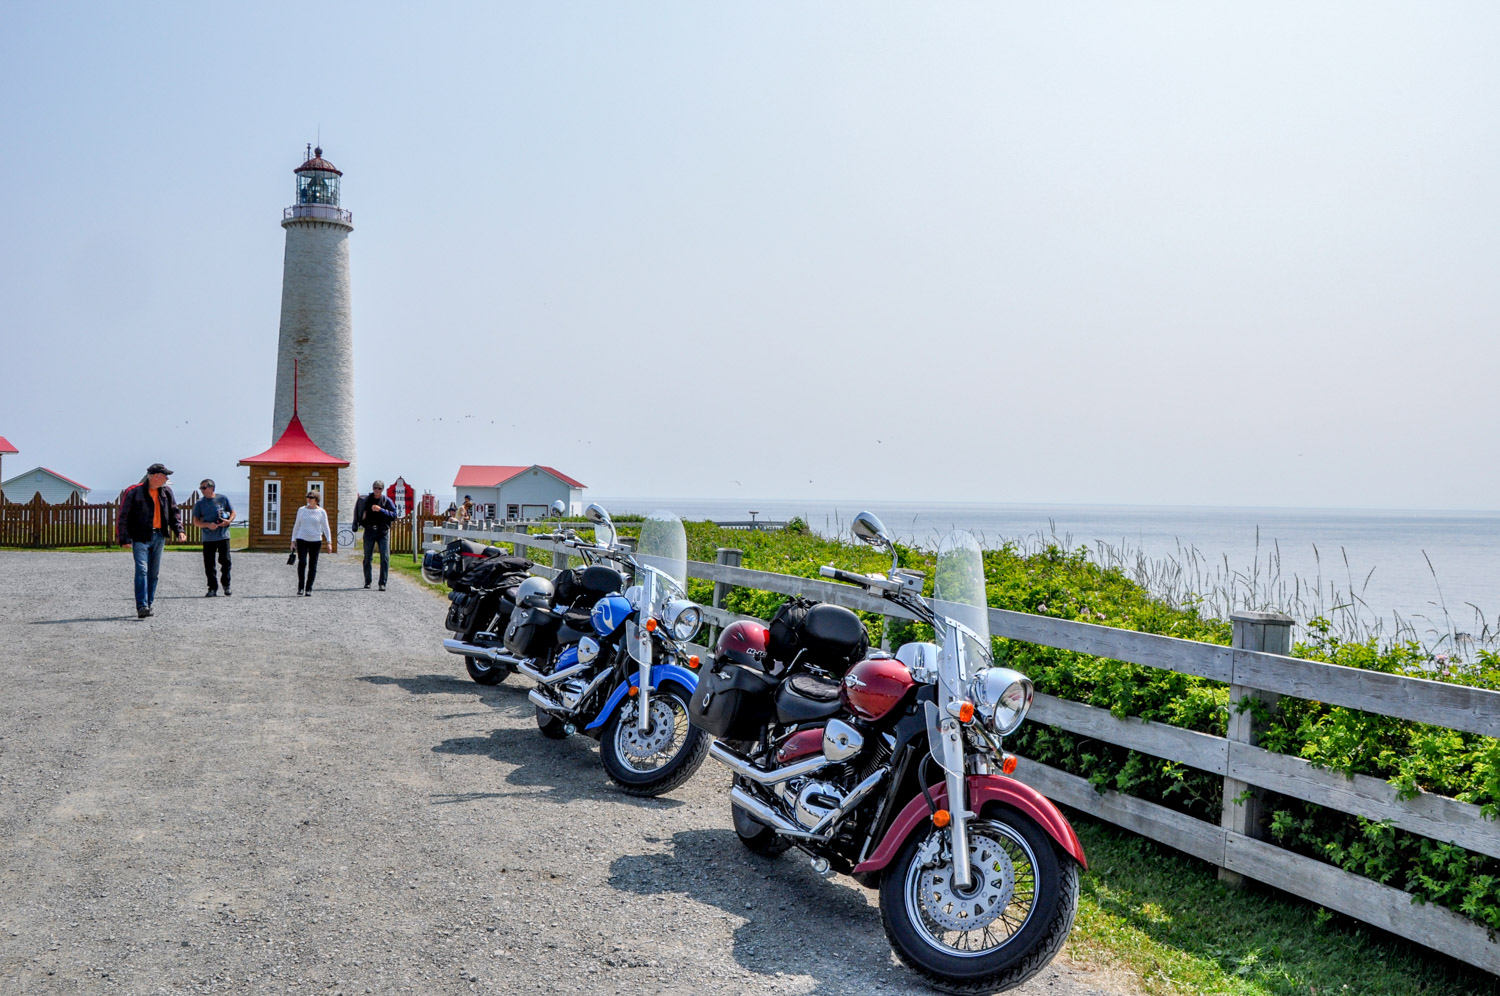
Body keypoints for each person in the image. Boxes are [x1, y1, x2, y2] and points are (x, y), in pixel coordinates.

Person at [117, 463, 186, 618]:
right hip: (140, 537)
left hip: (159, 536)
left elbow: (174, 513)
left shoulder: (166, 492)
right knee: (142, 570)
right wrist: (124, 538)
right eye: (165, 475)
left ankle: (148, 604)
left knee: (153, 573)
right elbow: (123, 516)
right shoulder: (134, 491)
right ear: (156, 476)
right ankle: (142, 606)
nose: (167, 478)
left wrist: (179, 531)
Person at [191, 478, 234, 596]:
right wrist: (208, 525)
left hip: (223, 536)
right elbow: (195, 521)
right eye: (201, 488)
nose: (202, 490)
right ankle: (212, 588)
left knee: (226, 562)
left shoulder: (223, 499)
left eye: (204, 488)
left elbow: (233, 512)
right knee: (209, 564)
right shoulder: (200, 503)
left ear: (211, 488)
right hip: (208, 538)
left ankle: (226, 585)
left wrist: (228, 521)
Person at [352, 479, 397, 591]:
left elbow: (394, 515)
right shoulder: (366, 500)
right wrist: (357, 523)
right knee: (367, 557)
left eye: (379, 488)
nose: (377, 490)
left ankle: (382, 583)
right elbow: (357, 511)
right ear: (372, 488)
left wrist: (381, 510)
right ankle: (368, 581)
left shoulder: (387, 501)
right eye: (375, 488)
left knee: (385, 558)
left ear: (382, 489)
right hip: (369, 531)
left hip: (383, 532)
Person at [289, 490, 332, 596]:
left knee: (313, 565)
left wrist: (329, 542)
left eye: (311, 497)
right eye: (307, 497)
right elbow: (297, 525)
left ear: (316, 500)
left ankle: (309, 588)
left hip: (316, 540)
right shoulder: (302, 510)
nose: (308, 499)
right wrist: (293, 540)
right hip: (302, 538)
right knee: (302, 562)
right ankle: (300, 587)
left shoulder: (321, 512)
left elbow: (326, 527)